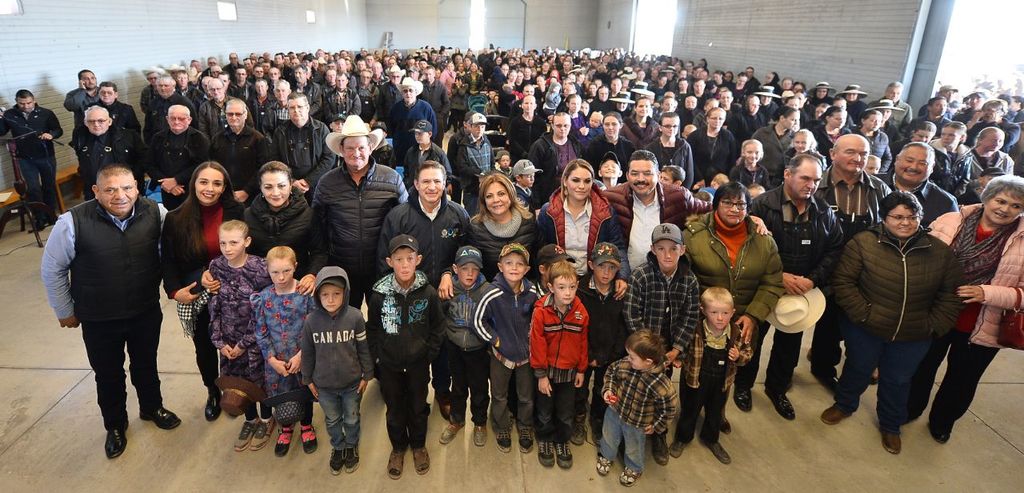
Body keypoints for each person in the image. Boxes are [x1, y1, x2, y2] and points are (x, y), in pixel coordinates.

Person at [41, 164, 180, 459]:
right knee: (108, 374)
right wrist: (64, 310)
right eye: (110, 189)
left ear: (137, 187)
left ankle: (151, 407)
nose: (120, 195)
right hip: (98, 317)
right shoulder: (71, 222)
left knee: (146, 364)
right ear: (96, 191)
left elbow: (172, 254)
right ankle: (115, 425)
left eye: (127, 187)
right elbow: (53, 269)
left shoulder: (156, 213)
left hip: (144, 310)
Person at [823, 191, 963, 455]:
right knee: (857, 368)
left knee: (898, 380)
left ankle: (890, 425)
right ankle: (844, 404)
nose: (905, 223)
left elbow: (950, 294)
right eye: (897, 217)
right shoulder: (863, 243)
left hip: (915, 332)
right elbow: (843, 282)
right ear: (884, 218)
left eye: (912, 217)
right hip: (866, 327)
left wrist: (933, 325)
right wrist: (863, 314)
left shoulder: (939, 252)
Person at [907, 176, 1024, 444]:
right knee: (921, 367)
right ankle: (909, 409)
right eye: (1000, 200)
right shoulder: (951, 220)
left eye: (1016, 205)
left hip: (983, 323)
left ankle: (942, 422)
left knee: (962, 379)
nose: (1005, 209)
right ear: (986, 197)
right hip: (937, 313)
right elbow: (918, 258)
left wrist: (987, 293)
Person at [740, 153, 844, 420]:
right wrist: (778, 277)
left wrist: (813, 279)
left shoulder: (823, 211)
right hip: (763, 288)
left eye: (816, 180)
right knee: (752, 339)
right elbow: (744, 250)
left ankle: (777, 389)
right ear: (788, 174)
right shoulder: (761, 206)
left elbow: (834, 249)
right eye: (805, 178)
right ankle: (743, 386)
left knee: (789, 345)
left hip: (800, 291)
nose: (811, 185)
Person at [161, 162, 244, 421]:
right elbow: (169, 261)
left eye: (217, 183)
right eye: (204, 182)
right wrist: (175, 292)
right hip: (198, 293)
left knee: (235, 344)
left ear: (224, 187)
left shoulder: (237, 211)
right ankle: (212, 391)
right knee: (205, 347)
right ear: (194, 183)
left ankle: (235, 390)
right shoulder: (175, 218)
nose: (210, 188)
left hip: (233, 292)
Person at [810, 134, 892, 392]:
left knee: (857, 323)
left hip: (864, 270)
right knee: (827, 324)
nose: (858, 158)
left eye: (863, 154)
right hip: (825, 267)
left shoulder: (879, 189)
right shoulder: (816, 185)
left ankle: (857, 368)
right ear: (833, 154)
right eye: (851, 152)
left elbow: (889, 227)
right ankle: (823, 368)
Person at [367, 235, 445, 479]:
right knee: (394, 407)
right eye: (398, 259)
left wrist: (428, 353)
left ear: (418, 260)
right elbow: (372, 328)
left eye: (409, 258)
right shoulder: (379, 295)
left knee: (418, 405)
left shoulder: (428, 293)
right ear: (389, 261)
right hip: (389, 365)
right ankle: (398, 447)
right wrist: (378, 356)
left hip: (418, 363)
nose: (404, 264)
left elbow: (438, 326)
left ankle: (419, 445)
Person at [625, 222, 701, 465]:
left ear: (682, 250)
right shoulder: (641, 276)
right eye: (661, 248)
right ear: (652, 249)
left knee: (661, 391)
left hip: (669, 351)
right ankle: (630, 429)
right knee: (636, 388)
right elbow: (632, 314)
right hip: (644, 350)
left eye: (673, 248)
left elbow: (690, 316)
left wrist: (676, 349)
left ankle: (658, 433)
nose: (667, 255)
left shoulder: (689, 280)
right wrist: (647, 350)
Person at [313, 115, 407, 309]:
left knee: (383, 320)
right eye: (350, 148)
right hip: (342, 269)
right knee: (346, 320)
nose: (356, 153)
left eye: (361, 147)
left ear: (370, 148)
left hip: (382, 269)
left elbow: (405, 221)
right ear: (341, 150)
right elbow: (318, 227)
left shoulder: (391, 178)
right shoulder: (327, 183)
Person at [207, 220, 274, 451]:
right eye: (223, 243)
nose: (227, 248)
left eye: (234, 242)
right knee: (237, 382)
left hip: (254, 341)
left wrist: (245, 343)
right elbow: (214, 305)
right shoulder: (216, 267)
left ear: (247, 241)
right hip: (228, 341)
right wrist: (219, 342)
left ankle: (266, 419)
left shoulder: (260, 269)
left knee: (259, 381)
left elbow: (263, 309)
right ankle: (250, 419)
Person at [302, 265, 374, 475]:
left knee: (352, 418)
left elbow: (363, 347)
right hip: (324, 387)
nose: (331, 299)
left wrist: (367, 374)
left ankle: (351, 444)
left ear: (346, 293)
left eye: (336, 294)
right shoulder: (311, 321)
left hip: (352, 384)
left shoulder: (355, 317)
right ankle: (338, 446)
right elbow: (307, 353)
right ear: (317, 295)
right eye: (325, 294)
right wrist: (308, 379)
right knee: (332, 420)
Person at [474, 242, 543, 454]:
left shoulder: (532, 292)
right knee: (499, 395)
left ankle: (525, 425)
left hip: (526, 356)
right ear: (500, 266)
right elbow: (478, 321)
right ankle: (502, 426)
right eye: (509, 262)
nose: (514, 267)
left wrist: (534, 341)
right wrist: (496, 341)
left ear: (527, 269)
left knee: (526, 396)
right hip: (500, 356)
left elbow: (541, 316)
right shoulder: (491, 293)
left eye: (520, 264)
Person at [250, 246, 316, 457]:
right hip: (276, 363)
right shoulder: (263, 297)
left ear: (295, 266)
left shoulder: (305, 295)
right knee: (280, 394)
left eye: (286, 271)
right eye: (275, 272)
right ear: (267, 270)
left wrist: (302, 356)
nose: (281, 277)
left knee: (304, 392)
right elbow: (260, 332)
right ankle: (285, 428)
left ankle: (306, 425)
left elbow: (313, 328)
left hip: (302, 357)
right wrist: (271, 359)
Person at [674, 287, 752, 465]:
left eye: (725, 313)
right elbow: (683, 345)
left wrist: (738, 356)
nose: (720, 318)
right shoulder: (695, 330)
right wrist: (679, 358)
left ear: (732, 312)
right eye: (714, 312)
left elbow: (748, 352)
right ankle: (682, 438)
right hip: (696, 378)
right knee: (690, 409)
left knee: (715, 411)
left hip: (721, 380)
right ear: (703, 310)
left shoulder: (736, 333)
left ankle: (711, 438)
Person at [604, 150, 712, 271]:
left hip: (665, 276)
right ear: (627, 175)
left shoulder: (678, 197)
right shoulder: (612, 198)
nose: (640, 179)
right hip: (625, 275)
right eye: (634, 173)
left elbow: (711, 210)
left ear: (658, 175)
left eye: (647, 173)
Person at [595, 331, 678, 487]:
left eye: (632, 357)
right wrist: (609, 389)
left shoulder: (661, 383)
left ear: (648, 361)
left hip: (637, 422)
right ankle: (606, 455)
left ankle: (634, 468)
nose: (628, 358)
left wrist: (657, 425)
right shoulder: (626, 364)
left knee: (634, 446)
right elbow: (611, 372)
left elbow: (669, 408)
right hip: (614, 411)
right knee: (608, 436)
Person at [531, 260, 589, 469]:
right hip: (547, 372)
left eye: (572, 287)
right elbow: (536, 344)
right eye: (562, 287)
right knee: (545, 409)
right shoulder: (541, 311)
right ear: (551, 287)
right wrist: (541, 375)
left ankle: (562, 441)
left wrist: (581, 369)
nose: (568, 293)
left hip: (569, 373)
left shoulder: (581, 312)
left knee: (565, 410)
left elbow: (583, 342)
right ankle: (545, 439)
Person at [538, 159, 630, 282]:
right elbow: (541, 250)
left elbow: (618, 247)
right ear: (565, 181)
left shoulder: (606, 212)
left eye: (587, 181)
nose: (581, 186)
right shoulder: (548, 211)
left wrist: (622, 277)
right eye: (576, 180)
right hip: (559, 281)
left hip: (594, 281)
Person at [574, 242, 629, 445]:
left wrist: (612, 355)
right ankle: (578, 417)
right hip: (584, 353)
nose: (606, 273)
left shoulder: (621, 293)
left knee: (603, 388)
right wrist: (587, 355)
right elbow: (576, 327)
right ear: (591, 265)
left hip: (610, 355)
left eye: (612, 267)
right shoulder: (579, 290)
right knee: (579, 388)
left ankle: (597, 418)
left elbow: (624, 327)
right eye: (601, 266)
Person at [438, 246, 492, 447]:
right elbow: (440, 315)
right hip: (455, 347)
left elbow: (492, 319)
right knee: (458, 387)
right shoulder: (448, 289)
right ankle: (456, 420)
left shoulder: (487, 290)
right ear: (455, 269)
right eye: (464, 268)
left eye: (474, 269)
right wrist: (447, 335)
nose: (469, 273)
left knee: (479, 388)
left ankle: (480, 423)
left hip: (478, 349)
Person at [0, 89, 64, 229]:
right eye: (22, 104)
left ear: (34, 100)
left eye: (29, 103)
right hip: (25, 158)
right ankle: (39, 217)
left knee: (49, 186)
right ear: (16, 102)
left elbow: (58, 130)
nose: (26, 106)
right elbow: (2, 132)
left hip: (46, 155)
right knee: (33, 188)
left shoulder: (46, 113)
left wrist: (51, 135)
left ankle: (51, 215)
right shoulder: (9, 114)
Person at [467, 173, 539, 280]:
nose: (496, 200)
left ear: (511, 195)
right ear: (483, 201)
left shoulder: (529, 221)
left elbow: (537, 260)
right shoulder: (475, 228)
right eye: (489, 196)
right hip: (490, 287)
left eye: (501, 194)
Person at [71, 105, 146, 201]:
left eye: (101, 121)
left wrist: (131, 179)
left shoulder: (129, 136)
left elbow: (143, 159)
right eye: (91, 121)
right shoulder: (80, 137)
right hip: (93, 190)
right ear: (85, 123)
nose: (96, 124)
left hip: (124, 190)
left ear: (109, 121)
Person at [145, 104, 210, 211]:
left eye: (181, 119)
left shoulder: (200, 139)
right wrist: (166, 183)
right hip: (166, 189)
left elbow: (203, 165)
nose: (176, 122)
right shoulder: (158, 138)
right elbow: (149, 164)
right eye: (173, 118)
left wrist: (176, 180)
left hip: (192, 188)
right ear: (167, 119)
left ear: (189, 120)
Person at [270, 94, 334, 199]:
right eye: (292, 107)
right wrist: (292, 181)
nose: (296, 110)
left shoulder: (322, 129)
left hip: (317, 187)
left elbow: (329, 158)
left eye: (299, 107)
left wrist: (308, 181)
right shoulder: (280, 131)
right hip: (289, 187)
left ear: (307, 108)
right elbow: (275, 160)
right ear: (288, 110)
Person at [879, 142, 958, 226]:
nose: (914, 167)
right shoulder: (871, 185)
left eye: (922, 163)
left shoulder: (946, 202)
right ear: (897, 159)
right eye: (909, 161)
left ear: (932, 167)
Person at [210, 98, 269, 203]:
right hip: (223, 193)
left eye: (238, 114)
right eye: (230, 114)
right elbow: (212, 166)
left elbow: (262, 169)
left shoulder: (257, 139)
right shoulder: (217, 138)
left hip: (250, 196)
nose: (233, 117)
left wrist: (247, 191)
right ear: (225, 115)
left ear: (245, 115)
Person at [528, 112, 583, 209]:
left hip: (572, 197)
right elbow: (532, 177)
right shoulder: (540, 146)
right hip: (548, 199)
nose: (562, 129)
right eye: (559, 125)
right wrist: (537, 206)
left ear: (570, 126)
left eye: (566, 125)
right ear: (552, 126)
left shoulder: (576, 144)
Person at [389, 77, 438, 167]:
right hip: (400, 150)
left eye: (411, 90)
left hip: (421, 150)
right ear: (402, 93)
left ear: (416, 92)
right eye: (405, 91)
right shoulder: (395, 108)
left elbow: (433, 130)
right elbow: (391, 129)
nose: (408, 93)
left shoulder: (426, 108)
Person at [452, 112, 493, 215]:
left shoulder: (487, 142)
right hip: (471, 189)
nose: (480, 129)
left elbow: (492, 163)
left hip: (487, 187)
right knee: (472, 216)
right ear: (470, 126)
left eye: (482, 127)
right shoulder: (463, 145)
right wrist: (480, 173)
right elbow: (462, 167)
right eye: (476, 126)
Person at [688, 107, 739, 188]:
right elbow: (690, 159)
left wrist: (725, 179)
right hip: (698, 177)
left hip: (721, 179)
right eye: (714, 118)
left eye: (720, 119)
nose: (717, 121)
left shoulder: (728, 136)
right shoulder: (695, 135)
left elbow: (732, 159)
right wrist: (699, 178)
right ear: (707, 119)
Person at [646, 111, 695, 189]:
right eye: (667, 126)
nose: (671, 129)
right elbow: (649, 173)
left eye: (675, 126)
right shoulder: (651, 148)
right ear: (660, 127)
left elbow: (689, 173)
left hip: (680, 190)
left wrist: (683, 192)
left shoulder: (684, 146)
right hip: (657, 189)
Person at [752, 107, 799, 187]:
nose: (796, 123)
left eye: (797, 120)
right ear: (782, 118)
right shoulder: (762, 133)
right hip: (763, 174)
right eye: (793, 120)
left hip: (783, 177)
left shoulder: (796, 136)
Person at [401, 119, 453, 190]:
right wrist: (408, 184)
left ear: (430, 134)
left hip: (431, 190)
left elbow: (447, 173)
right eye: (416, 133)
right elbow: (406, 171)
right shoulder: (411, 151)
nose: (417, 136)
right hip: (414, 189)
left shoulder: (438, 153)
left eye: (420, 133)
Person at [583, 112, 635, 178]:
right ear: (603, 126)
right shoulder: (594, 145)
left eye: (614, 124)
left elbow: (631, 169)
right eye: (607, 124)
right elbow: (589, 169)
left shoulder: (628, 146)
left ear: (621, 125)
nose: (610, 127)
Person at [507, 95, 549, 162]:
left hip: (537, 157)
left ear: (535, 106)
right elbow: (512, 140)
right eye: (526, 103)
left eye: (531, 103)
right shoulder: (515, 122)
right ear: (522, 105)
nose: (528, 106)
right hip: (518, 157)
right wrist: (524, 154)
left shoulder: (541, 123)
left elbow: (543, 140)